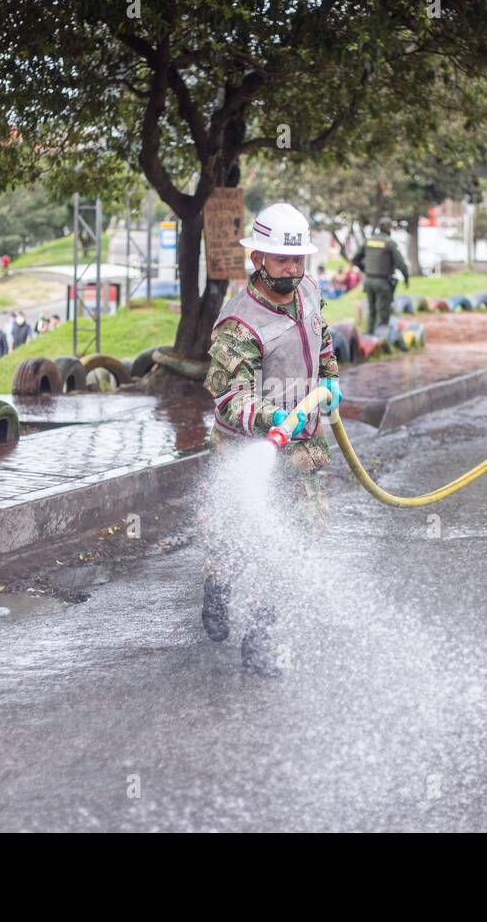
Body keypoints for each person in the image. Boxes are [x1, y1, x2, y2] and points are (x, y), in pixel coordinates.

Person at [202, 202, 342, 674]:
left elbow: (321, 338)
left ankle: (261, 634)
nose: (293, 268)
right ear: (258, 259)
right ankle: (217, 586)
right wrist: (275, 418)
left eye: (299, 259)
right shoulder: (239, 324)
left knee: (302, 533)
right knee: (239, 537)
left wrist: (330, 379)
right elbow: (229, 400)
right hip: (249, 443)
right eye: (283, 260)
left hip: (301, 442)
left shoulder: (309, 291)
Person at [351, 217, 409, 333]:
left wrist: (365, 269)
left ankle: (369, 338)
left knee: (372, 311)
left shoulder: (368, 241)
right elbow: (401, 263)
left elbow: (355, 259)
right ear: (389, 229)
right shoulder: (389, 243)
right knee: (383, 313)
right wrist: (406, 278)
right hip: (383, 282)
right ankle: (380, 342)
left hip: (369, 281)